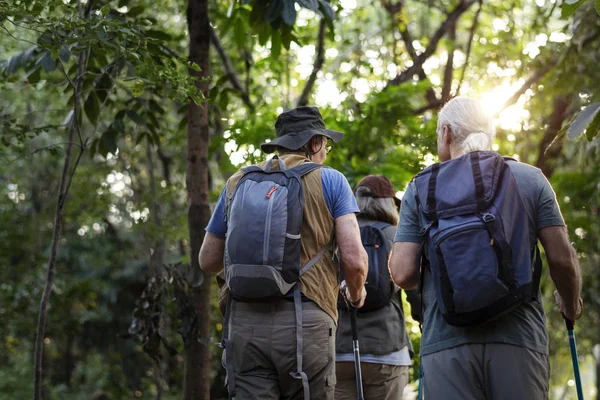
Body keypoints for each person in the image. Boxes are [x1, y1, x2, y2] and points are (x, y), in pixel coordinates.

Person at [389, 96, 583, 399]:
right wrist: (570, 303)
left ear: (447, 133)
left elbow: (402, 274)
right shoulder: (530, 179)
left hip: (446, 343)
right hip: (518, 339)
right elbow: (562, 259)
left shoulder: (421, 188)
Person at [199, 106, 368, 400]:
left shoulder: (237, 183)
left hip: (244, 323)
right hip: (306, 322)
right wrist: (355, 294)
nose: (325, 153)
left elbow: (208, 260)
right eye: (325, 145)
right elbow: (354, 260)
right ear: (314, 144)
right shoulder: (331, 180)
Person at [335, 175, 414, 400]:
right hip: (387, 348)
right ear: (389, 203)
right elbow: (416, 292)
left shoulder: (337, 235)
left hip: (341, 348)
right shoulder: (398, 236)